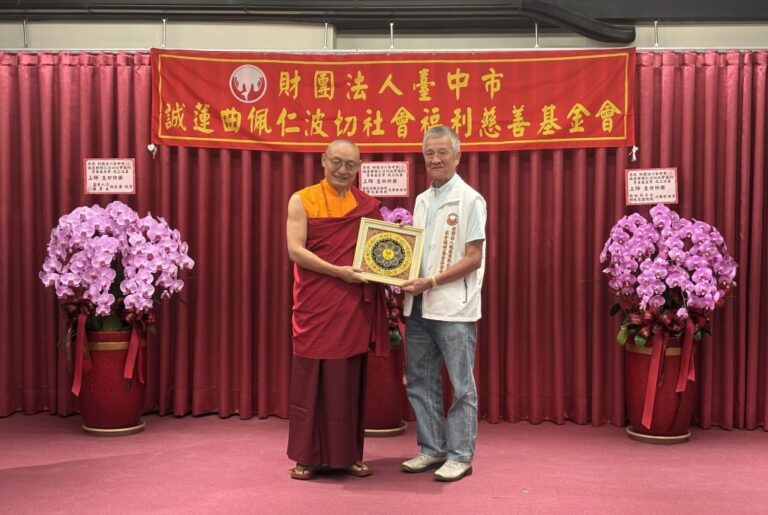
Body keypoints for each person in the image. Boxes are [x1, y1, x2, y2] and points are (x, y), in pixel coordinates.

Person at [285, 138, 390, 480]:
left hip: (351, 305)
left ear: (358, 167)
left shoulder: (365, 206)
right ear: (323, 160)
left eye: (351, 165)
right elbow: (296, 251)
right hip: (316, 303)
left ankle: (349, 455)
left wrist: (397, 249)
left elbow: (379, 250)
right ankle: (306, 457)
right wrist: (337, 272)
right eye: (337, 162)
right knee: (311, 380)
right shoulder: (303, 199)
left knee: (347, 380)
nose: (343, 170)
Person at [400, 125, 487, 482]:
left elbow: (473, 257)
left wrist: (432, 281)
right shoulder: (422, 200)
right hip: (418, 305)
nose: (435, 159)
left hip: (453, 308)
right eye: (429, 154)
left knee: (461, 386)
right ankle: (432, 448)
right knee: (419, 381)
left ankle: (460, 456)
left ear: (457, 156)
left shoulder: (470, 199)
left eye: (442, 152)